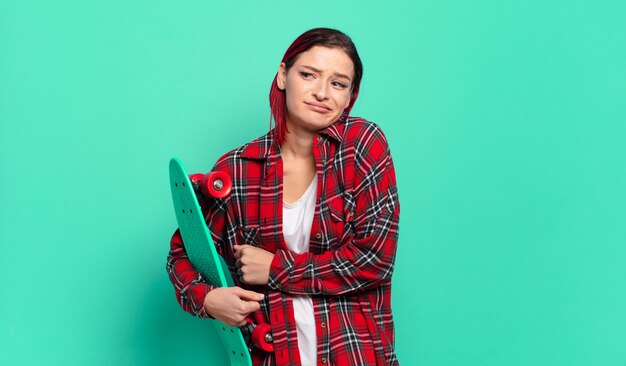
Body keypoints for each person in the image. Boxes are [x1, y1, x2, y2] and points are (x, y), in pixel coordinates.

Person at [167, 27, 400, 365]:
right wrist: (208, 300)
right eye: (309, 75)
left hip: (355, 354)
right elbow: (183, 254)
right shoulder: (237, 168)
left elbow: (374, 261)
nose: (322, 93)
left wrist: (275, 268)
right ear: (283, 76)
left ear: (350, 95)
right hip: (275, 354)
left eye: (338, 83)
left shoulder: (362, 145)